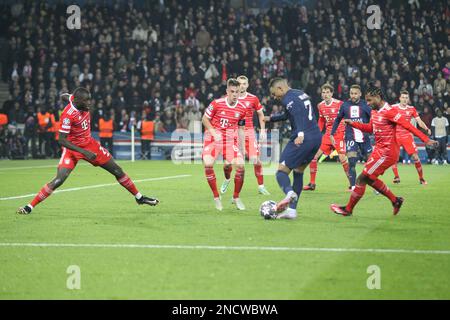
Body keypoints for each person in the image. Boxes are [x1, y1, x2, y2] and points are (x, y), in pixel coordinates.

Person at [16, 88, 159, 215]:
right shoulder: (68, 115)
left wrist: (64, 96)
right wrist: (83, 152)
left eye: (90, 99)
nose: (89, 103)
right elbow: (62, 140)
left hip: (90, 144)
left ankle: (139, 197)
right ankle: (29, 207)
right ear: (78, 101)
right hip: (73, 149)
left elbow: (65, 96)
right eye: (86, 100)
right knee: (59, 180)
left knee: (117, 170)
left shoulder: (74, 99)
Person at [330, 85, 438, 217]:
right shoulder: (375, 111)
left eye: (369, 100)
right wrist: (353, 123)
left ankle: (348, 209)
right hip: (379, 151)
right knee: (369, 179)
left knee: (362, 178)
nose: (368, 104)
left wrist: (426, 140)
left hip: (387, 153)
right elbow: (371, 128)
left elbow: (408, 125)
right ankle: (395, 201)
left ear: (378, 97)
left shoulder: (389, 111)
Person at [265, 77, 322, 219]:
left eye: (274, 93)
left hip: (303, 138)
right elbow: (288, 115)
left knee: (281, 172)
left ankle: (289, 194)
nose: (274, 97)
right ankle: (292, 211)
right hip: (316, 138)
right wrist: (270, 119)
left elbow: (297, 116)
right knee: (298, 171)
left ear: (280, 89)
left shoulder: (287, 98)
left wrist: (301, 133)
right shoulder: (299, 93)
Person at [220, 75, 270, 196]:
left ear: (247, 85)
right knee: (228, 163)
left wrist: (262, 130)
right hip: (233, 133)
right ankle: (227, 179)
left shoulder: (253, 98)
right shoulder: (229, 98)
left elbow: (260, 113)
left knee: (256, 160)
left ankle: (261, 186)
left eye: (244, 83)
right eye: (240, 83)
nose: (242, 85)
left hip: (248, 132)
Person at [202, 78, 247, 211]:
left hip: (228, 141)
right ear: (227, 91)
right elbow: (204, 119)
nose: (234, 94)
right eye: (232, 91)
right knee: (208, 163)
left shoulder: (242, 109)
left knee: (241, 166)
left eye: (237, 92)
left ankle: (236, 197)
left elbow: (240, 128)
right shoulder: (216, 103)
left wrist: (242, 148)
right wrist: (213, 132)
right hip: (212, 139)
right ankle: (216, 197)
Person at [303, 83, 350, 191]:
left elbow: (347, 116)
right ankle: (312, 184)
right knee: (313, 156)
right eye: (323, 92)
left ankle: (352, 185)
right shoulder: (320, 105)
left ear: (332, 93)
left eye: (328, 92)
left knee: (343, 158)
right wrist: (317, 132)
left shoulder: (340, 104)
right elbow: (321, 120)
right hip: (328, 135)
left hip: (339, 134)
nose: (325, 94)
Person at [330, 84, 372, 190]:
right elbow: (338, 119)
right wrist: (332, 133)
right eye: (351, 93)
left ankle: (374, 185)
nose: (353, 96)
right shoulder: (345, 105)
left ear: (360, 94)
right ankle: (353, 187)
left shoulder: (366, 105)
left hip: (364, 137)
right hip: (350, 136)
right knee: (352, 161)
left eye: (355, 94)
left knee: (371, 162)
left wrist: (374, 130)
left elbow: (373, 118)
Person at [391, 90, 431, 184]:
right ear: (399, 98)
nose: (404, 99)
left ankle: (421, 178)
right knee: (393, 158)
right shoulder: (393, 107)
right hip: (395, 135)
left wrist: (426, 128)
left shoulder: (411, 109)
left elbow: (419, 121)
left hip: (407, 135)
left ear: (408, 99)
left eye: (406, 98)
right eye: (403, 97)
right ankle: (396, 177)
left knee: (416, 157)